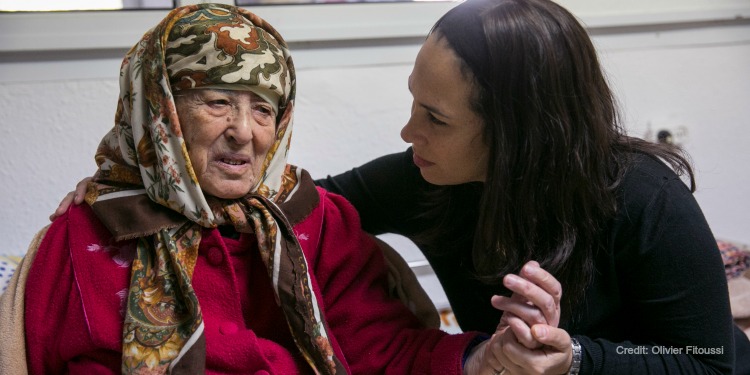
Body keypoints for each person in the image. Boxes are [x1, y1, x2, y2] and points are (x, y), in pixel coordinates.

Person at [46, 0, 750, 373]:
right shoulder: (425, 179)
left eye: (435, 117)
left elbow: (708, 364)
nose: (408, 132)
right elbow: (293, 204)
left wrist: (579, 360)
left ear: (515, 135)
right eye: (416, 102)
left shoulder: (646, 199)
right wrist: (135, 180)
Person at [0, 3, 561, 374]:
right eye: (216, 101)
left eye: (264, 110)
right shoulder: (90, 233)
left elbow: (383, 351)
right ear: (158, 114)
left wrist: (485, 359)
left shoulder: (312, 220)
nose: (244, 132)